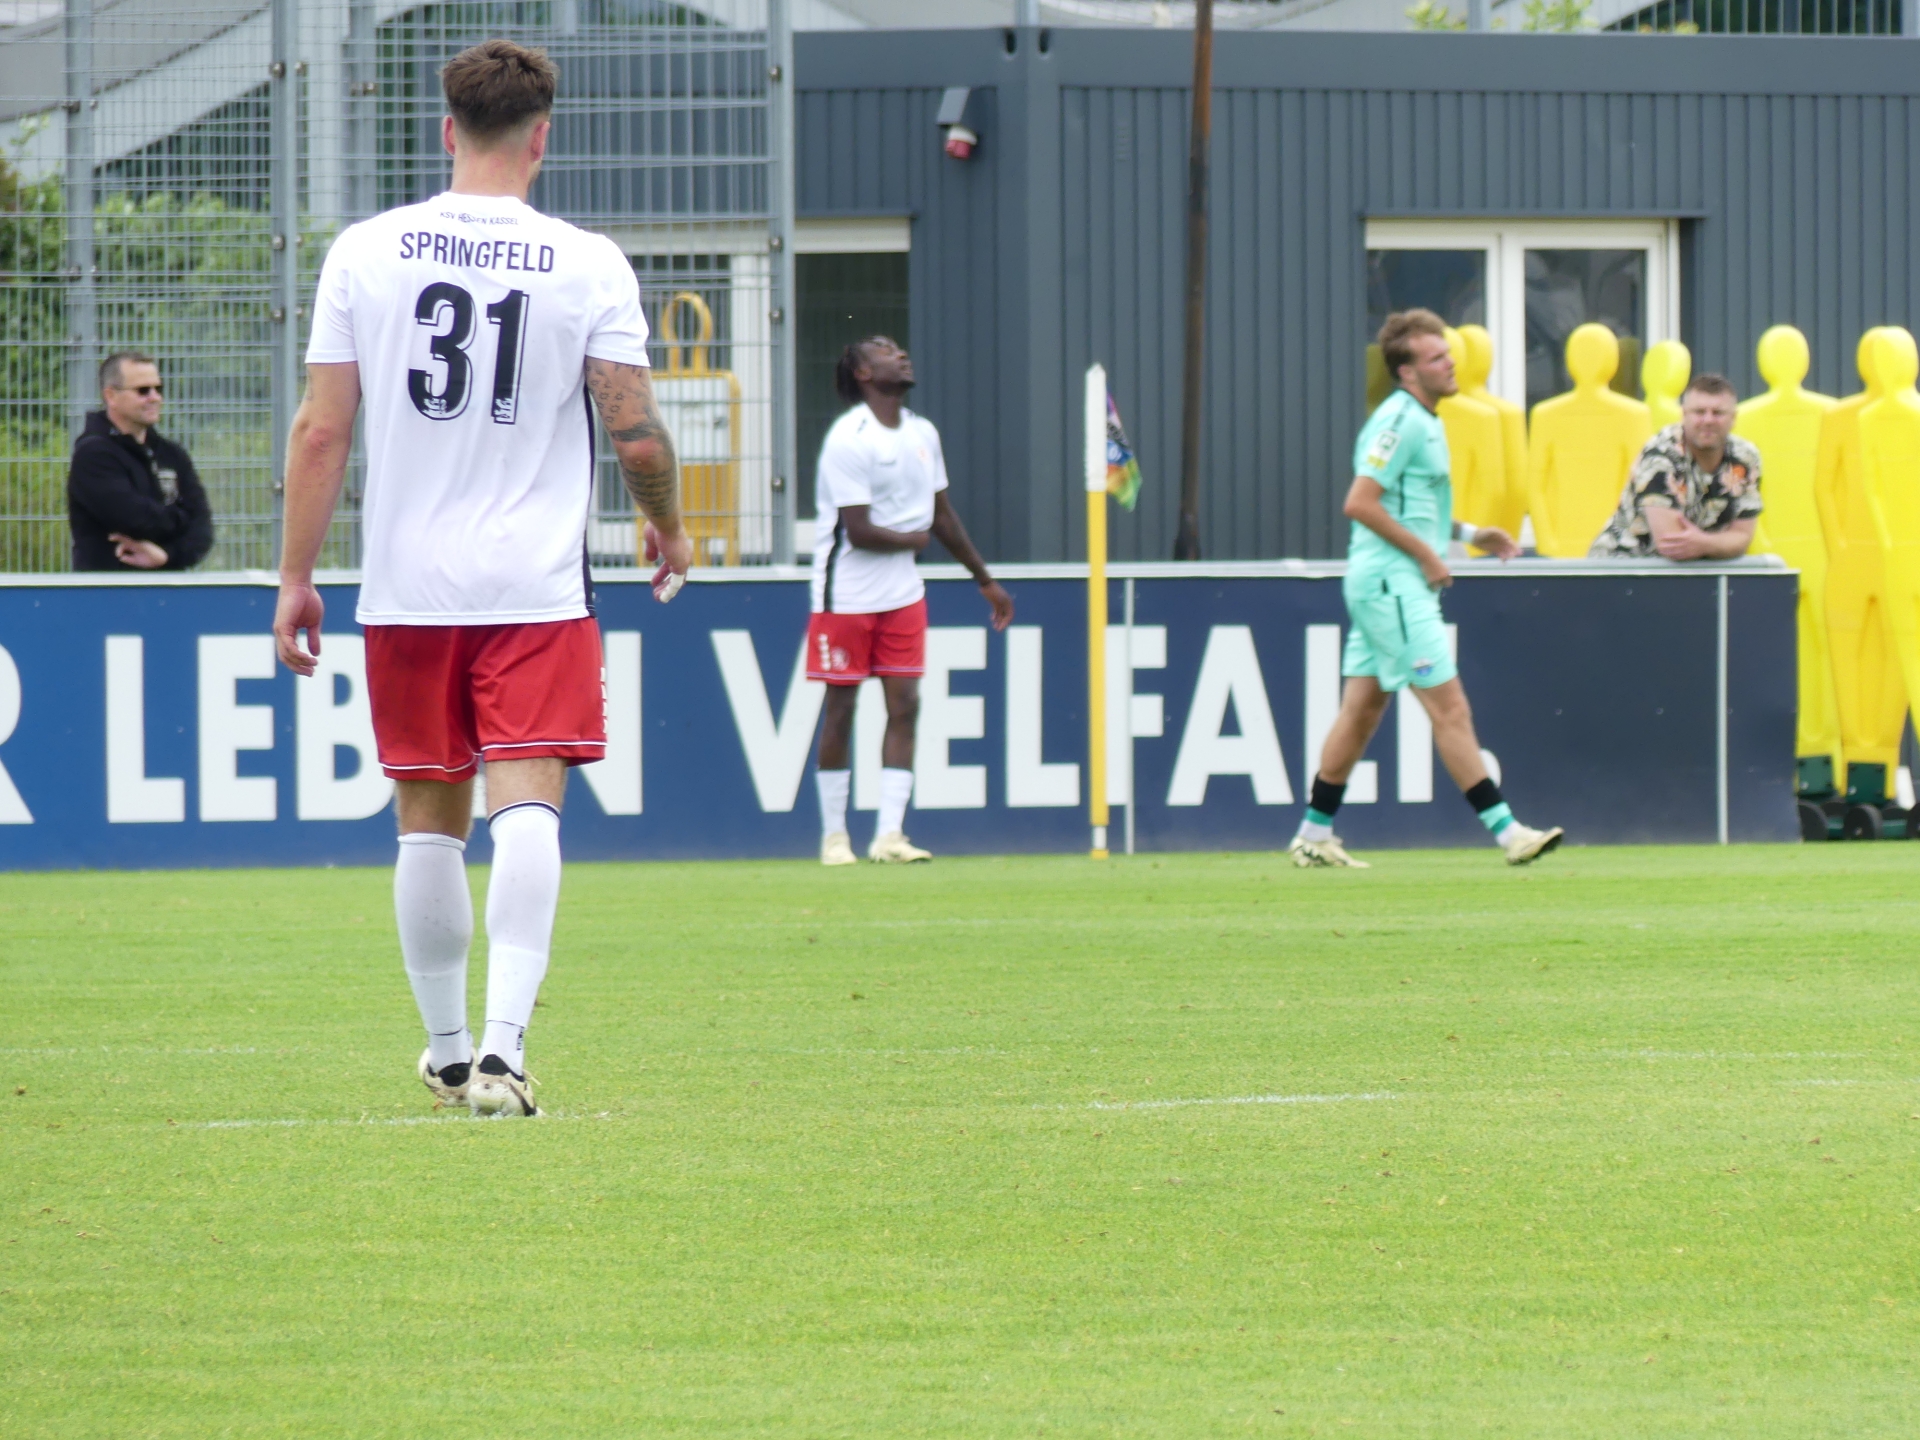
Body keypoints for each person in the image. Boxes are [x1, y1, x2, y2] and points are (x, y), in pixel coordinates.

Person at [272, 39, 691, 1117]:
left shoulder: (366, 251)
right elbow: (637, 433)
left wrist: (296, 576)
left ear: (446, 130)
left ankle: (450, 1052)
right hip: (534, 586)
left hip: (407, 585)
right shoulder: (587, 262)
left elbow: (321, 430)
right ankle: (505, 1054)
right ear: (541, 138)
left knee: (427, 817)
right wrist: (669, 527)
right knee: (529, 808)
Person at [1291, 309, 1562, 869]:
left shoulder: (1425, 418)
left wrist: (1470, 534)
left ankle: (1314, 833)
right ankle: (1509, 833)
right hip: (1393, 584)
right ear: (1408, 372)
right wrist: (1427, 555)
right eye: (1437, 358)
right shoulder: (1401, 422)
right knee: (1450, 708)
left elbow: (1409, 505)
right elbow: (1359, 502)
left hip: (1384, 582)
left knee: (1360, 713)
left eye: (1448, 353)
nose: (1450, 363)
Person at [809, 336, 1013, 865]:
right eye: (884, 351)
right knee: (841, 709)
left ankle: (890, 835)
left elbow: (941, 515)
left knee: (906, 706)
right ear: (861, 372)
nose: (900, 355)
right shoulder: (849, 438)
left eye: (900, 349)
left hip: (903, 594)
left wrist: (983, 579)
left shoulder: (924, 434)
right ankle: (835, 837)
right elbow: (858, 531)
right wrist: (913, 540)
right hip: (846, 595)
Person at [1589, 373, 1761, 560]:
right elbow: (1671, 545)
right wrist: (1719, 543)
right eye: (1699, 412)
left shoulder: (1745, 457)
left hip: (1696, 570)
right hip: (1620, 565)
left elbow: (1743, 537)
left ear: (1733, 418)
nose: (1708, 420)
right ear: (1683, 415)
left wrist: (1703, 543)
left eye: (1718, 413)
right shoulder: (1660, 455)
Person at [67, 352, 213, 572]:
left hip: (168, 585)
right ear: (111, 396)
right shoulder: (93, 455)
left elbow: (202, 529)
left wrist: (167, 556)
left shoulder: (172, 454)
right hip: (108, 586)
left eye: (158, 389)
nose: (154, 397)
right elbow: (135, 520)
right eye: (143, 391)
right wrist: (182, 517)